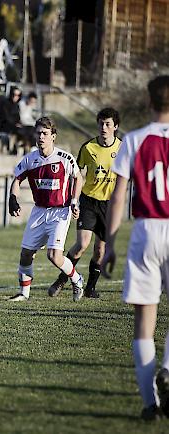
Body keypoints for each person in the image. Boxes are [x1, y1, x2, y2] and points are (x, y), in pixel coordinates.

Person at [102, 76, 169, 421]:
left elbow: (118, 196)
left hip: (145, 230)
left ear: (148, 101)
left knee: (144, 323)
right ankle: (168, 369)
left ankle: (149, 405)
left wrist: (110, 244)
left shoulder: (134, 140)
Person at [7, 116, 84, 302]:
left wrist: (75, 201)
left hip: (60, 211)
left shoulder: (65, 158)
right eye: (39, 133)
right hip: (39, 211)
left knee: (54, 256)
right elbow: (17, 180)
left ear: (53, 136)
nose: (41, 137)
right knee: (26, 254)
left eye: (45, 133)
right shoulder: (30, 159)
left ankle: (77, 279)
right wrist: (12, 198)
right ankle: (24, 294)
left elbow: (78, 178)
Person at [47, 108, 121, 299]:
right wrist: (74, 200)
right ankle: (64, 279)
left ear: (115, 127)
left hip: (109, 205)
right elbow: (77, 175)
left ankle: (90, 288)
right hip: (88, 201)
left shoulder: (122, 148)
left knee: (100, 249)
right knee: (82, 244)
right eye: (101, 123)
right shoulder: (88, 148)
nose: (103, 128)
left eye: (108, 124)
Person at [0, 86, 22, 155]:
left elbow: (18, 117)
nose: (16, 97)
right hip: (5, 125)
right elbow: (5, 117)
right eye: (14, 95)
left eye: (18, 95)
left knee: (25, 130)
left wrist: (19, 123)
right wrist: (15, 124)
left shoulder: (16, 105)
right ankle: (12, 148)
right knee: (16, 130)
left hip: (14, 125)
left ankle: (23, 149)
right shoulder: (4, 103)